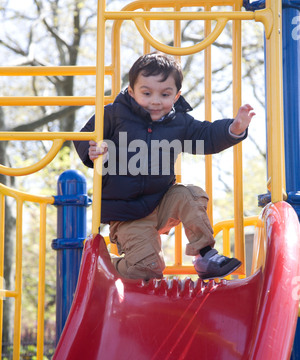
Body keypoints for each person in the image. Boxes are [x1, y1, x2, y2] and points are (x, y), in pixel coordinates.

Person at [74, 52, 255, 281]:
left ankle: (204, 254)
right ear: (131, 91)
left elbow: (206, 135)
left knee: (189, 194)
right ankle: (107, 266)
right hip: (127, 213)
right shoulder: (114, 114)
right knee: (147, 270)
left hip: (161, 202)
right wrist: (92, 148)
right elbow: (84, 136)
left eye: (165, 94)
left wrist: (234, 129)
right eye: (147, 93)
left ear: (177, 96)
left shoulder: (178, 123)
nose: (155, 101)